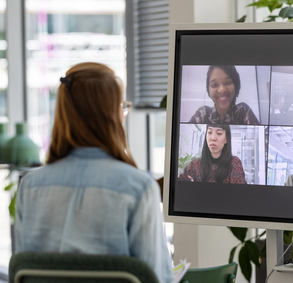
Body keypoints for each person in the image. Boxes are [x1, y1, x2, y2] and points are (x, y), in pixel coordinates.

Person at [15, 62, 173, 283]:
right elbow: (156, 277)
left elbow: (26, 272)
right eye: (122, 106)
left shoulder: (30, 186)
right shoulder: (138, 188)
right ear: (110, 114)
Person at [189, 65, 260, 124]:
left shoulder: (243, 111)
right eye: (214, 85)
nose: (222, 89)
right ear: (208, 90)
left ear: (236, 85)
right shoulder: (203, 114)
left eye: (227, 82)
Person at [178, 124, 247, 183]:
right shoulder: (194, 165)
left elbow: (240, 194)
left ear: (226, 139)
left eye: (219, 133)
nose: (213, 138)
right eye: (210, 132)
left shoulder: (234, 164)